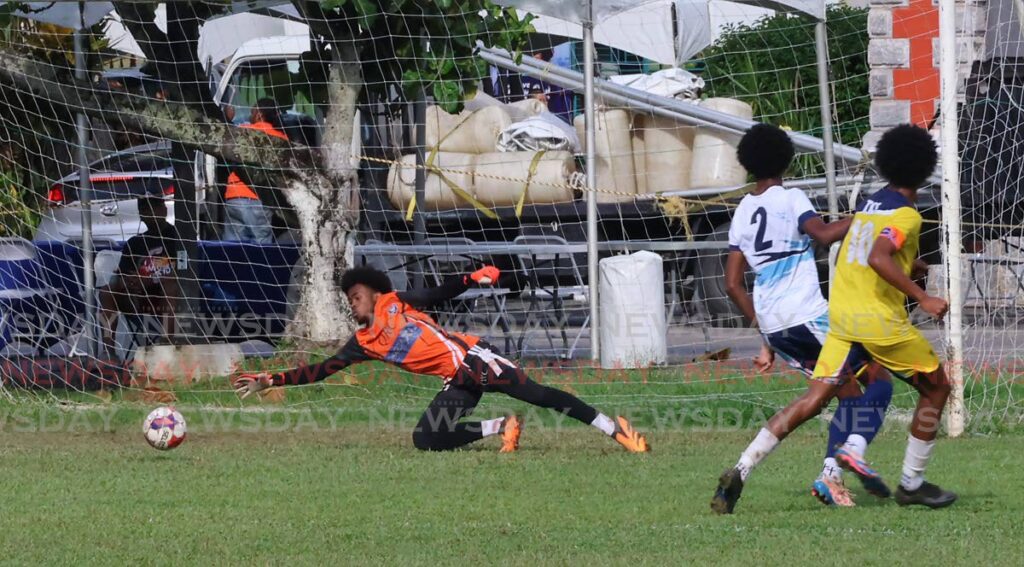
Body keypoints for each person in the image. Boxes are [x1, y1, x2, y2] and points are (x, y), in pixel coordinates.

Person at [712, 124, 957, 514]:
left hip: (775, 323)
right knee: (876, 383)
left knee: (828, 394)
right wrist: (864, 219)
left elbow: (731, 283)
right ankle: (843, 465)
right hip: (809, 313)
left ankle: (743, 467)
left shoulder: (742, 210)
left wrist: (764, 338)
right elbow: (825, 236)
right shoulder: (791, 198)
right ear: (787, 158)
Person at [233, 265, 650, 453]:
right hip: (458, 380)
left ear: (375, 293)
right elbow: (322, 369)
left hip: (476, 359)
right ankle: (500, 426)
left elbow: (436, 294)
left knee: (541, 396)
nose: (352, 304)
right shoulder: (364, 342)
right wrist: (273, 379)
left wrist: (471, 278)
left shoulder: (397, 303)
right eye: (349, 300)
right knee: (425, 438)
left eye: (356, 296)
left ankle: (616, 430)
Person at [99, 195, 181, 357]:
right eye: (143, 209)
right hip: (138, 298)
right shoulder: (134, 243)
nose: (146, 213)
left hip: (168, 297)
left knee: (170, 283)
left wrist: (150, 280)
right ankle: (108, 353)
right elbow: (123, 274)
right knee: (107, 291)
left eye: (151, 207)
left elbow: (183, 270)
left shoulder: (179, 237)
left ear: (163, 209)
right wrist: (129, 282)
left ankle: (167, 345)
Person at [223, 98, 287, 244]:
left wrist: (227, 120)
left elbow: (224, 141)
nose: (250, 116)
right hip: (261, 199)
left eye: (252, 112)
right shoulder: (281, 139)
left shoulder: (244, 132)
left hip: (236, 197)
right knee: (261, 249)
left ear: (259, 114)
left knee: (232, 250)